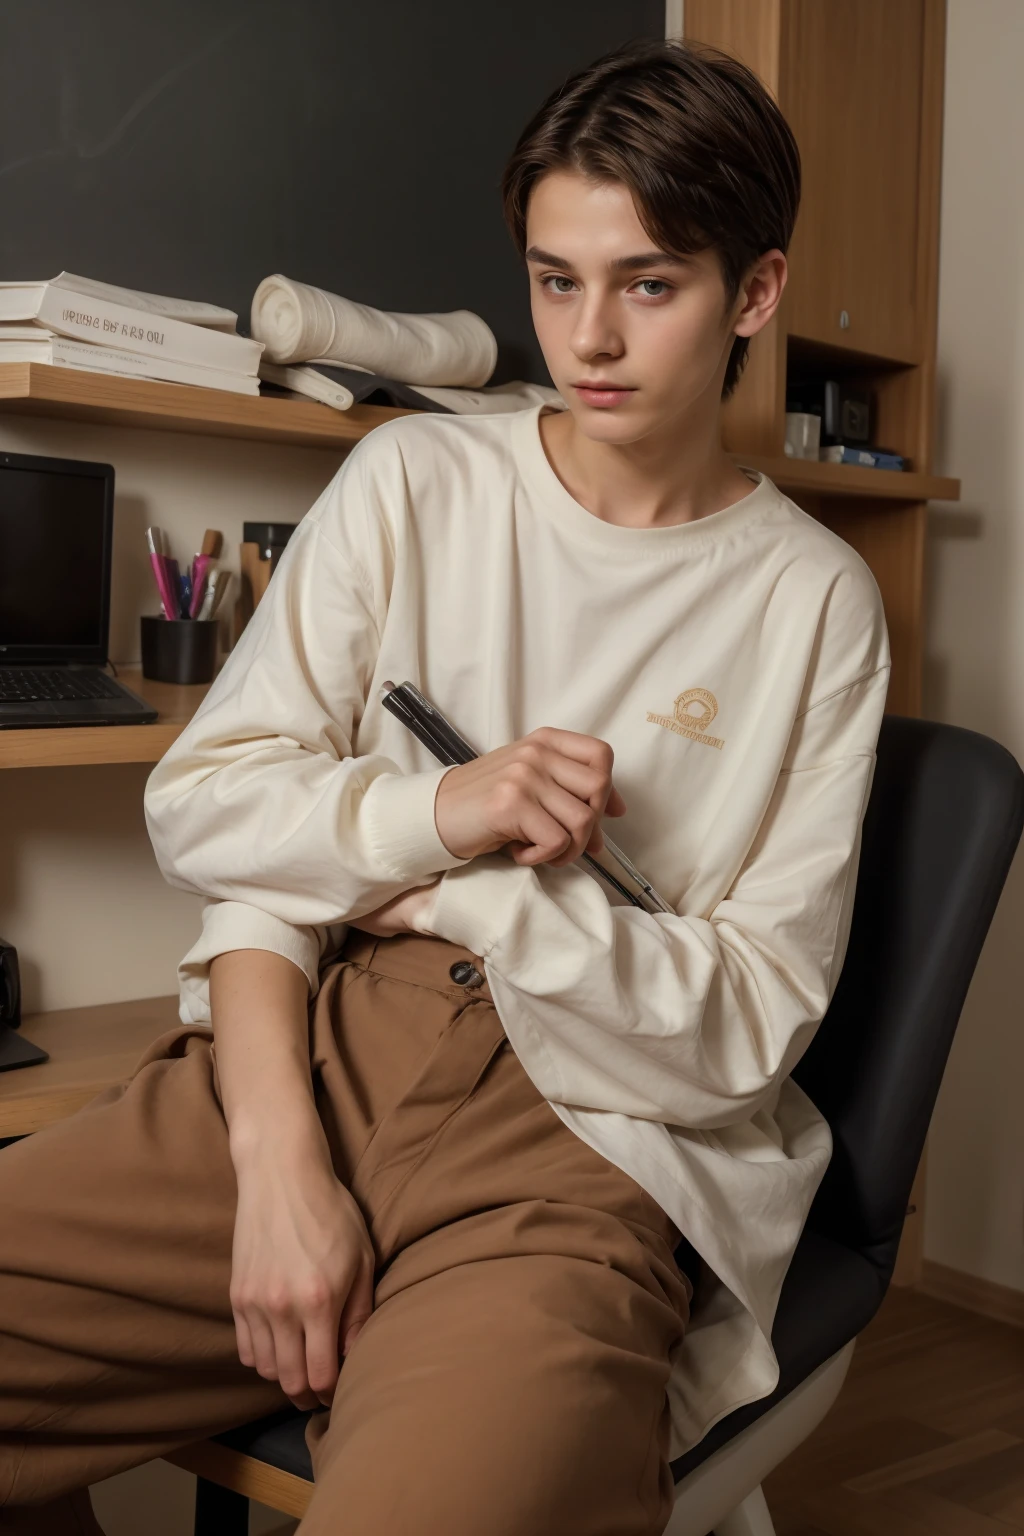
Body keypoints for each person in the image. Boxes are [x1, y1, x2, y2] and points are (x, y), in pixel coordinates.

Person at [0, 37, 889, 1536]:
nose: (589, 338)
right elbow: (210, 812)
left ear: (755, 291)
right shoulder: (417, 481)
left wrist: (465, 896)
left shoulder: (818, 604)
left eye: (649, 284)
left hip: (593, 1147)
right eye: (554, 280)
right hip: (320, 1049)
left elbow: (744, 1029)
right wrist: (436, 814)